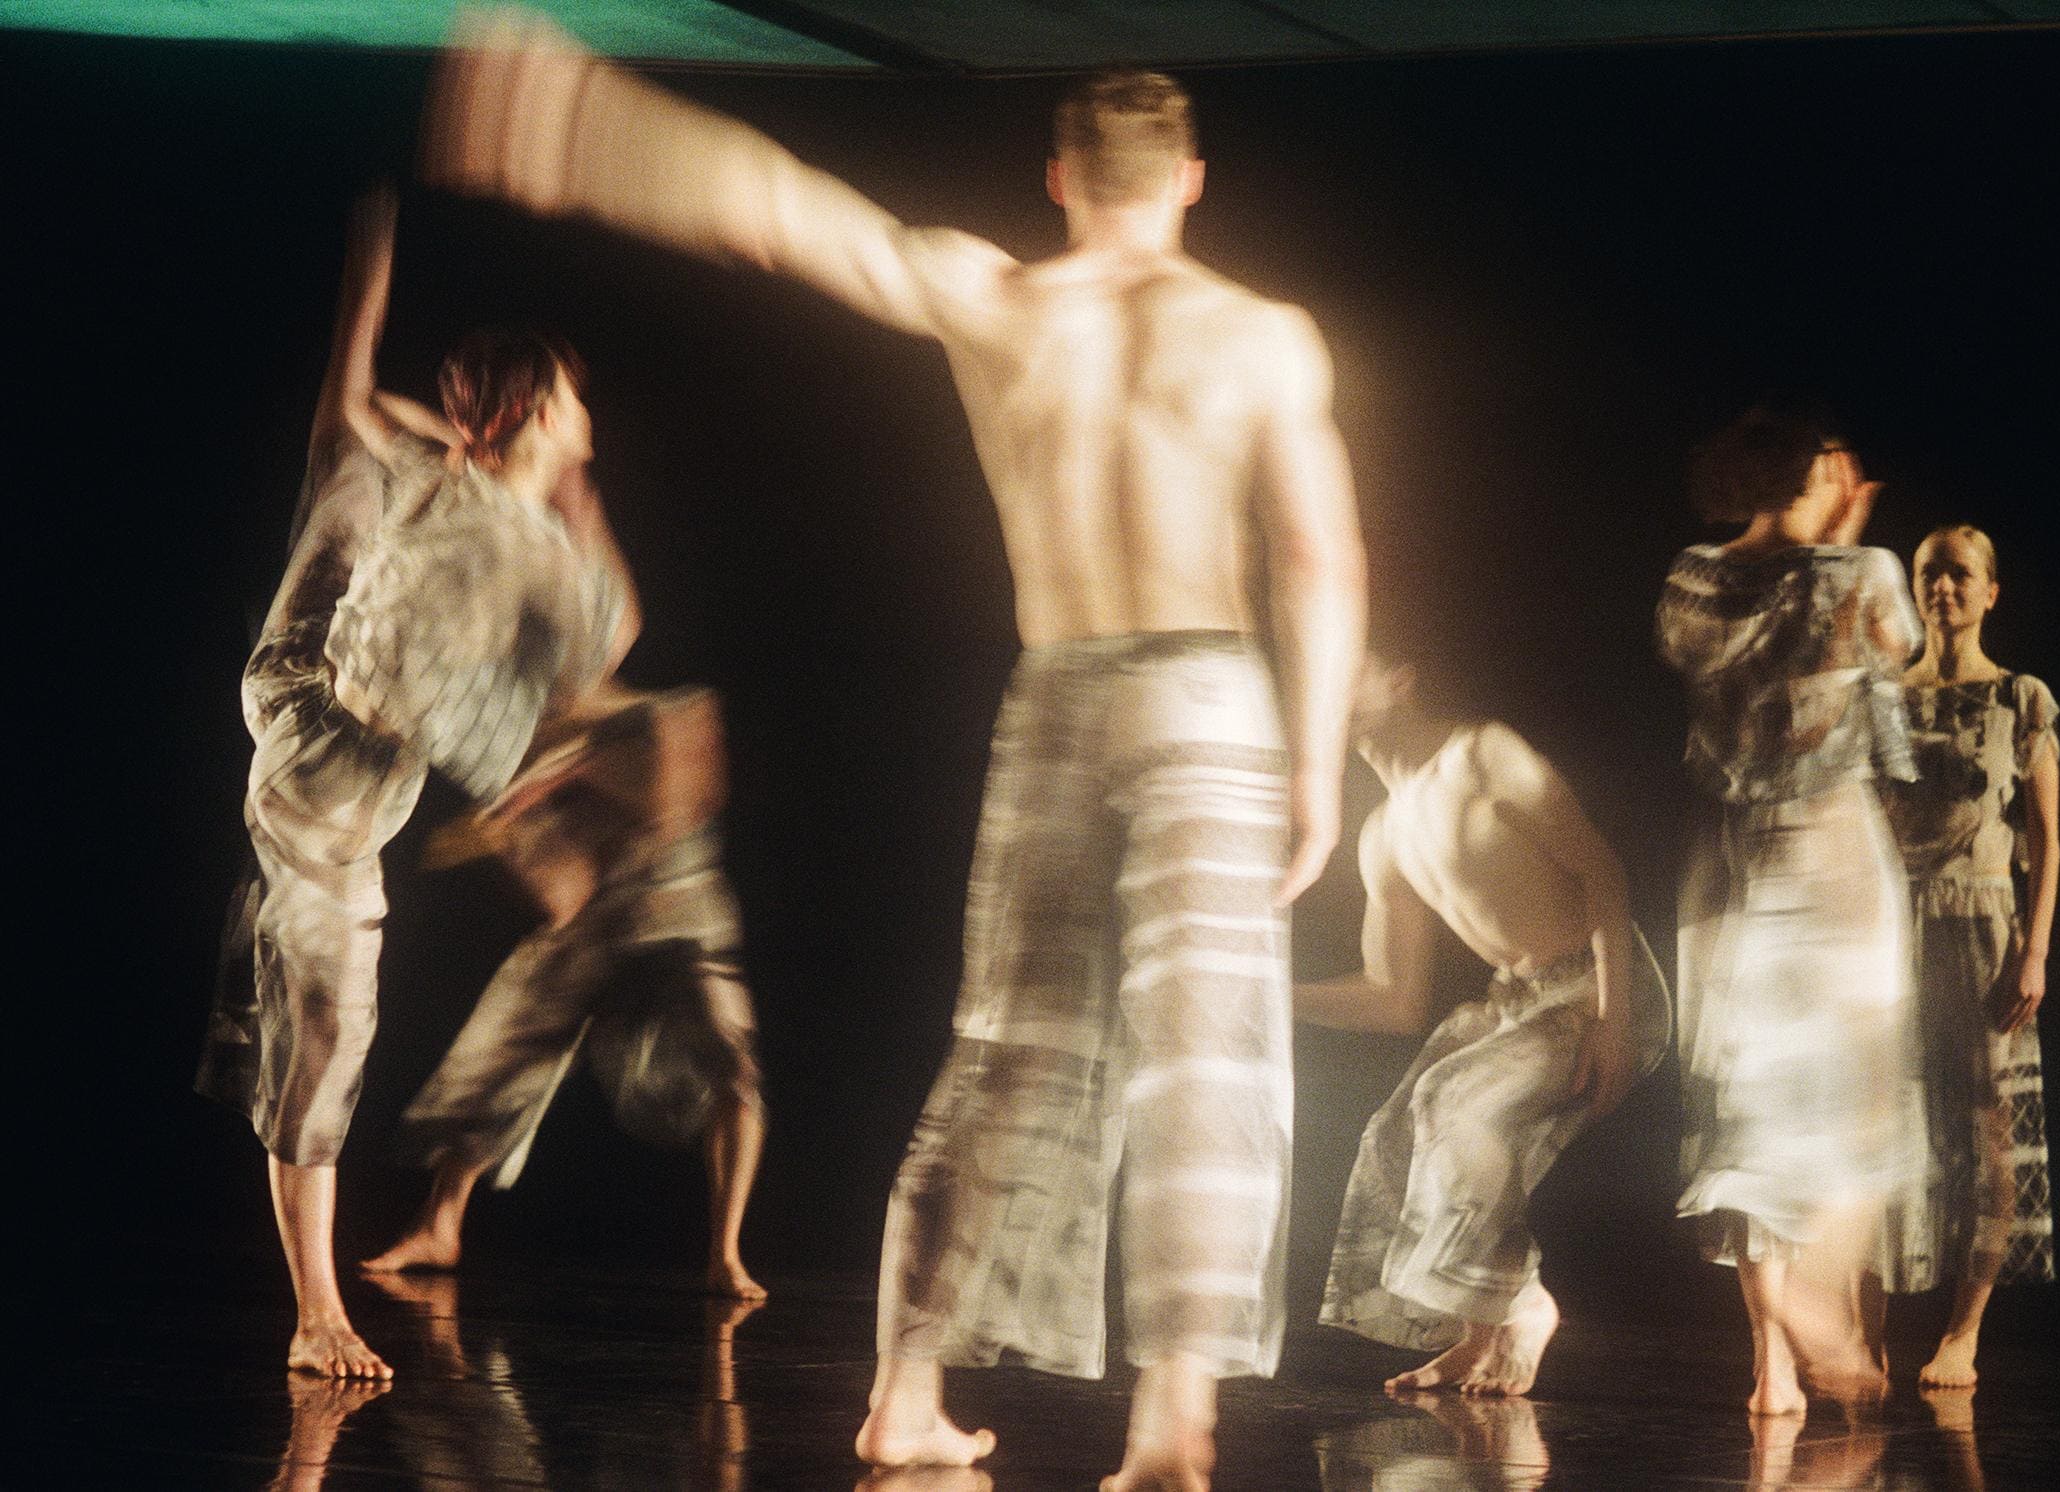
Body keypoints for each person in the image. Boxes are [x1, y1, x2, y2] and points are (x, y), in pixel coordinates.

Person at [426, 24, 1365, 1486]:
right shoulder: (1263, 335)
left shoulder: (995, 297)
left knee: (1004, 1050)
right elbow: (1316, 560)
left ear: (1058, 178)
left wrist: (582, 125)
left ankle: (905, 1395)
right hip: (1208, 705)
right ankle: (1170, 1424)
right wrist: (1313, 767)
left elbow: (790, 214)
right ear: (1188, 179)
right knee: (1207, 1064)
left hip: (1059, 694)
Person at [196, 188, 631, 1379]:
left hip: (369, 778)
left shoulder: (527, 533)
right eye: (576, 401)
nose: (591, 419)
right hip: (312, 738)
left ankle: (320, 1300)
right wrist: (369, 281)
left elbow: (604, 640)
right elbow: (351, 410)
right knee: (333, 1027)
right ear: (540, 407)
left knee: (339, 1016)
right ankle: (316, 1313)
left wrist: (568, 500)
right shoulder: (442, 484)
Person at [1299, 648, 1670, 1397]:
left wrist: (1614, 1018)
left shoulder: (1480, 754)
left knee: (1455, 1100)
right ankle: (1477, 1337)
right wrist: (1276, 996)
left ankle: (1521, 1304)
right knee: (1397, 1129)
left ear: (1400, 678)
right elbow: (1394, 995)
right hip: (1516, 1003)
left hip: (1592, 989)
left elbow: (1602, 870)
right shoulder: (1384, 836)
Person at [1656, 405, 1923, 1413]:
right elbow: (1886, 653)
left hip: (1733, 863)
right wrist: (1847, 543)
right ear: (1813, 476)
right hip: (1837, 850)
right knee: (1860, 1092)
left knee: (1759, 1094)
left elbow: (1760, 643)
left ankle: (1781, 1350)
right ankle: (1824, 1304)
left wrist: (1823, 545)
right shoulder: (1865, 576)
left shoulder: (1690, 576)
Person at [360, 683, 768, 1299]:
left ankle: (725, 1254)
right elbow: (561, 892)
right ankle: (439, 1226)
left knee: (733, 1069)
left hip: (683, 915)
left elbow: (675, 803)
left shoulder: (675, 712)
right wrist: (514, 834)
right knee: (494, 1052)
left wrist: (569, 772)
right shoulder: (537, 748)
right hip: (596, 924)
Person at [1866, 525, 2059, 1389]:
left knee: (1987, 1130)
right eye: (1929, 573)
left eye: (1960, 573)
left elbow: (2050, 841)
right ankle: (1865, 1334)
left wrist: (2036, 950)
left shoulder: (2022, 697)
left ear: (1990, 590)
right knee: (1881, 1127)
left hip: (1984, 922)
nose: (1943, 587)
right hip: (1892, 922)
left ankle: (1963, 1334)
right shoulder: (1885, 697)